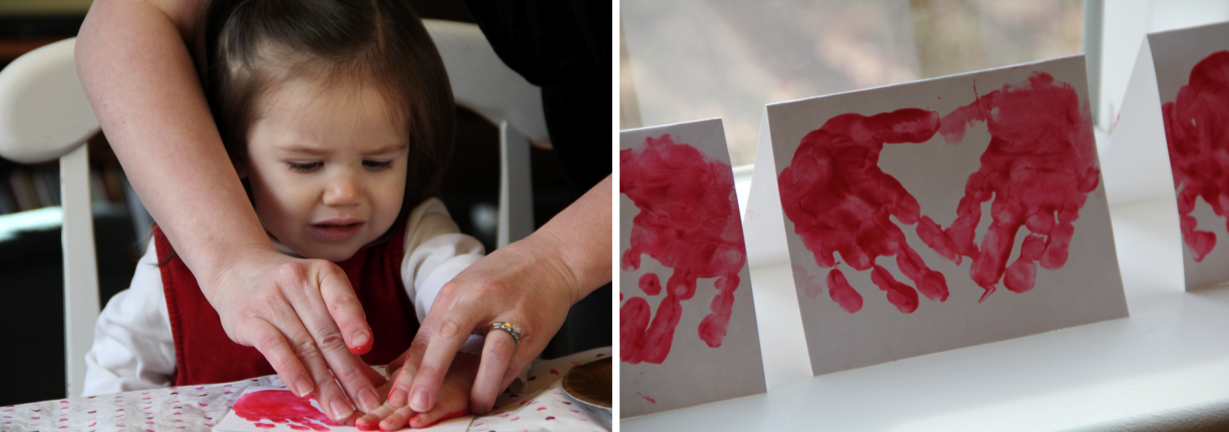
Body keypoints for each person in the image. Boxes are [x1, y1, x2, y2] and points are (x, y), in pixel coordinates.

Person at [77, 0, 611, 425]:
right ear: (235, 153)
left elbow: (471, 303)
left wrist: (464, 359)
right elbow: (114, 380)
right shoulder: (177, 266)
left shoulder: (417, 239)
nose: (344, 193)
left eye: (377, 162)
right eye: (306, 165)